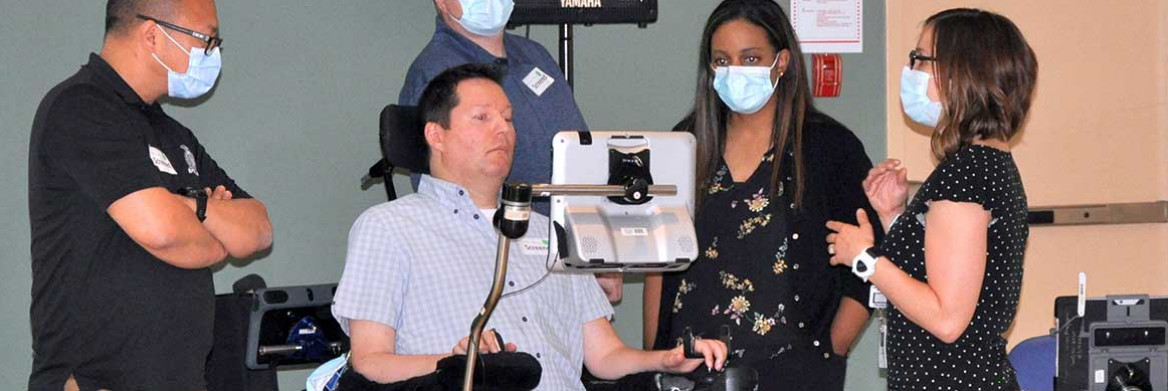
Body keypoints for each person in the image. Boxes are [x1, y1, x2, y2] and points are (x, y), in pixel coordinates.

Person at [331, 64, 727, 390]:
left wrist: (668, 359)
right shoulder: (389, 228)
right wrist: (458, 364)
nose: (502, 129)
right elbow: (370, 363)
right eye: (482, 118)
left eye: (507, 118)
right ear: (436, 134)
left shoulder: (551, 231)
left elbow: (604, 357)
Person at [27, 0, 273, 390]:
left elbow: (257, 230)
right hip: (95, 380)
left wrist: (191, 205)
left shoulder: (174, 135)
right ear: (153, 34)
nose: (213, 53)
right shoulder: (80, 108)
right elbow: (163, 232)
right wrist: (211, 228)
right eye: (207, 39)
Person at [642, 1, 879, 389]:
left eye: (750, 58)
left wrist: (831, 349)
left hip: (792, 373)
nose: (735, 70)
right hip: (690, 372)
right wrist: (658, 355)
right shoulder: (685, 144)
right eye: (722, 60)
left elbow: (867, 261)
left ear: (781, 61)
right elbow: (658, 261)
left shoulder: (828, 148)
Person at [826, 8, 1037, 390]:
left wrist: (864, 259)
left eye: (921, 58)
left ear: (962, 72)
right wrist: (894, 217)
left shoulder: (969, 173)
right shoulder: (985, 164)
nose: (912, 70)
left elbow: (946, 318)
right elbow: (940, 276)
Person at [398, 0, 623, 302]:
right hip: (500, 270)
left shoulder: (534, 56)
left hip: (570, 256)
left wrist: (599, 250)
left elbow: (581, 155)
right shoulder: (436, 74)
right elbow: (447, 200)